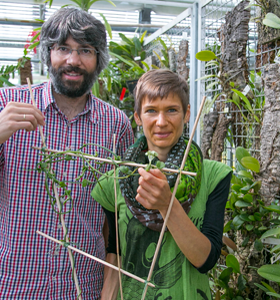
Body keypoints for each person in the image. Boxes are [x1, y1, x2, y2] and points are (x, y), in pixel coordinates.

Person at [0, 7, 134, 300]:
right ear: (48, 53)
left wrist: (109, 289)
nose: (73, 60)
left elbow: (114, 217)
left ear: (98, 59)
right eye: (63, 48)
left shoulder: (115, 125)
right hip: (7, 289)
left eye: (85, 50)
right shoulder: (5, 105)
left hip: (80, 290)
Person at [91, 69, 232, 299]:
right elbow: (114, 253)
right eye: (151, 111)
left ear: (187, 114)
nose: (161, 122)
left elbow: (206, 260)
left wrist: (167, 204)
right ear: (137, 117)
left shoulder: (213, 176)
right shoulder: (115, 181)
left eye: (172, 110)